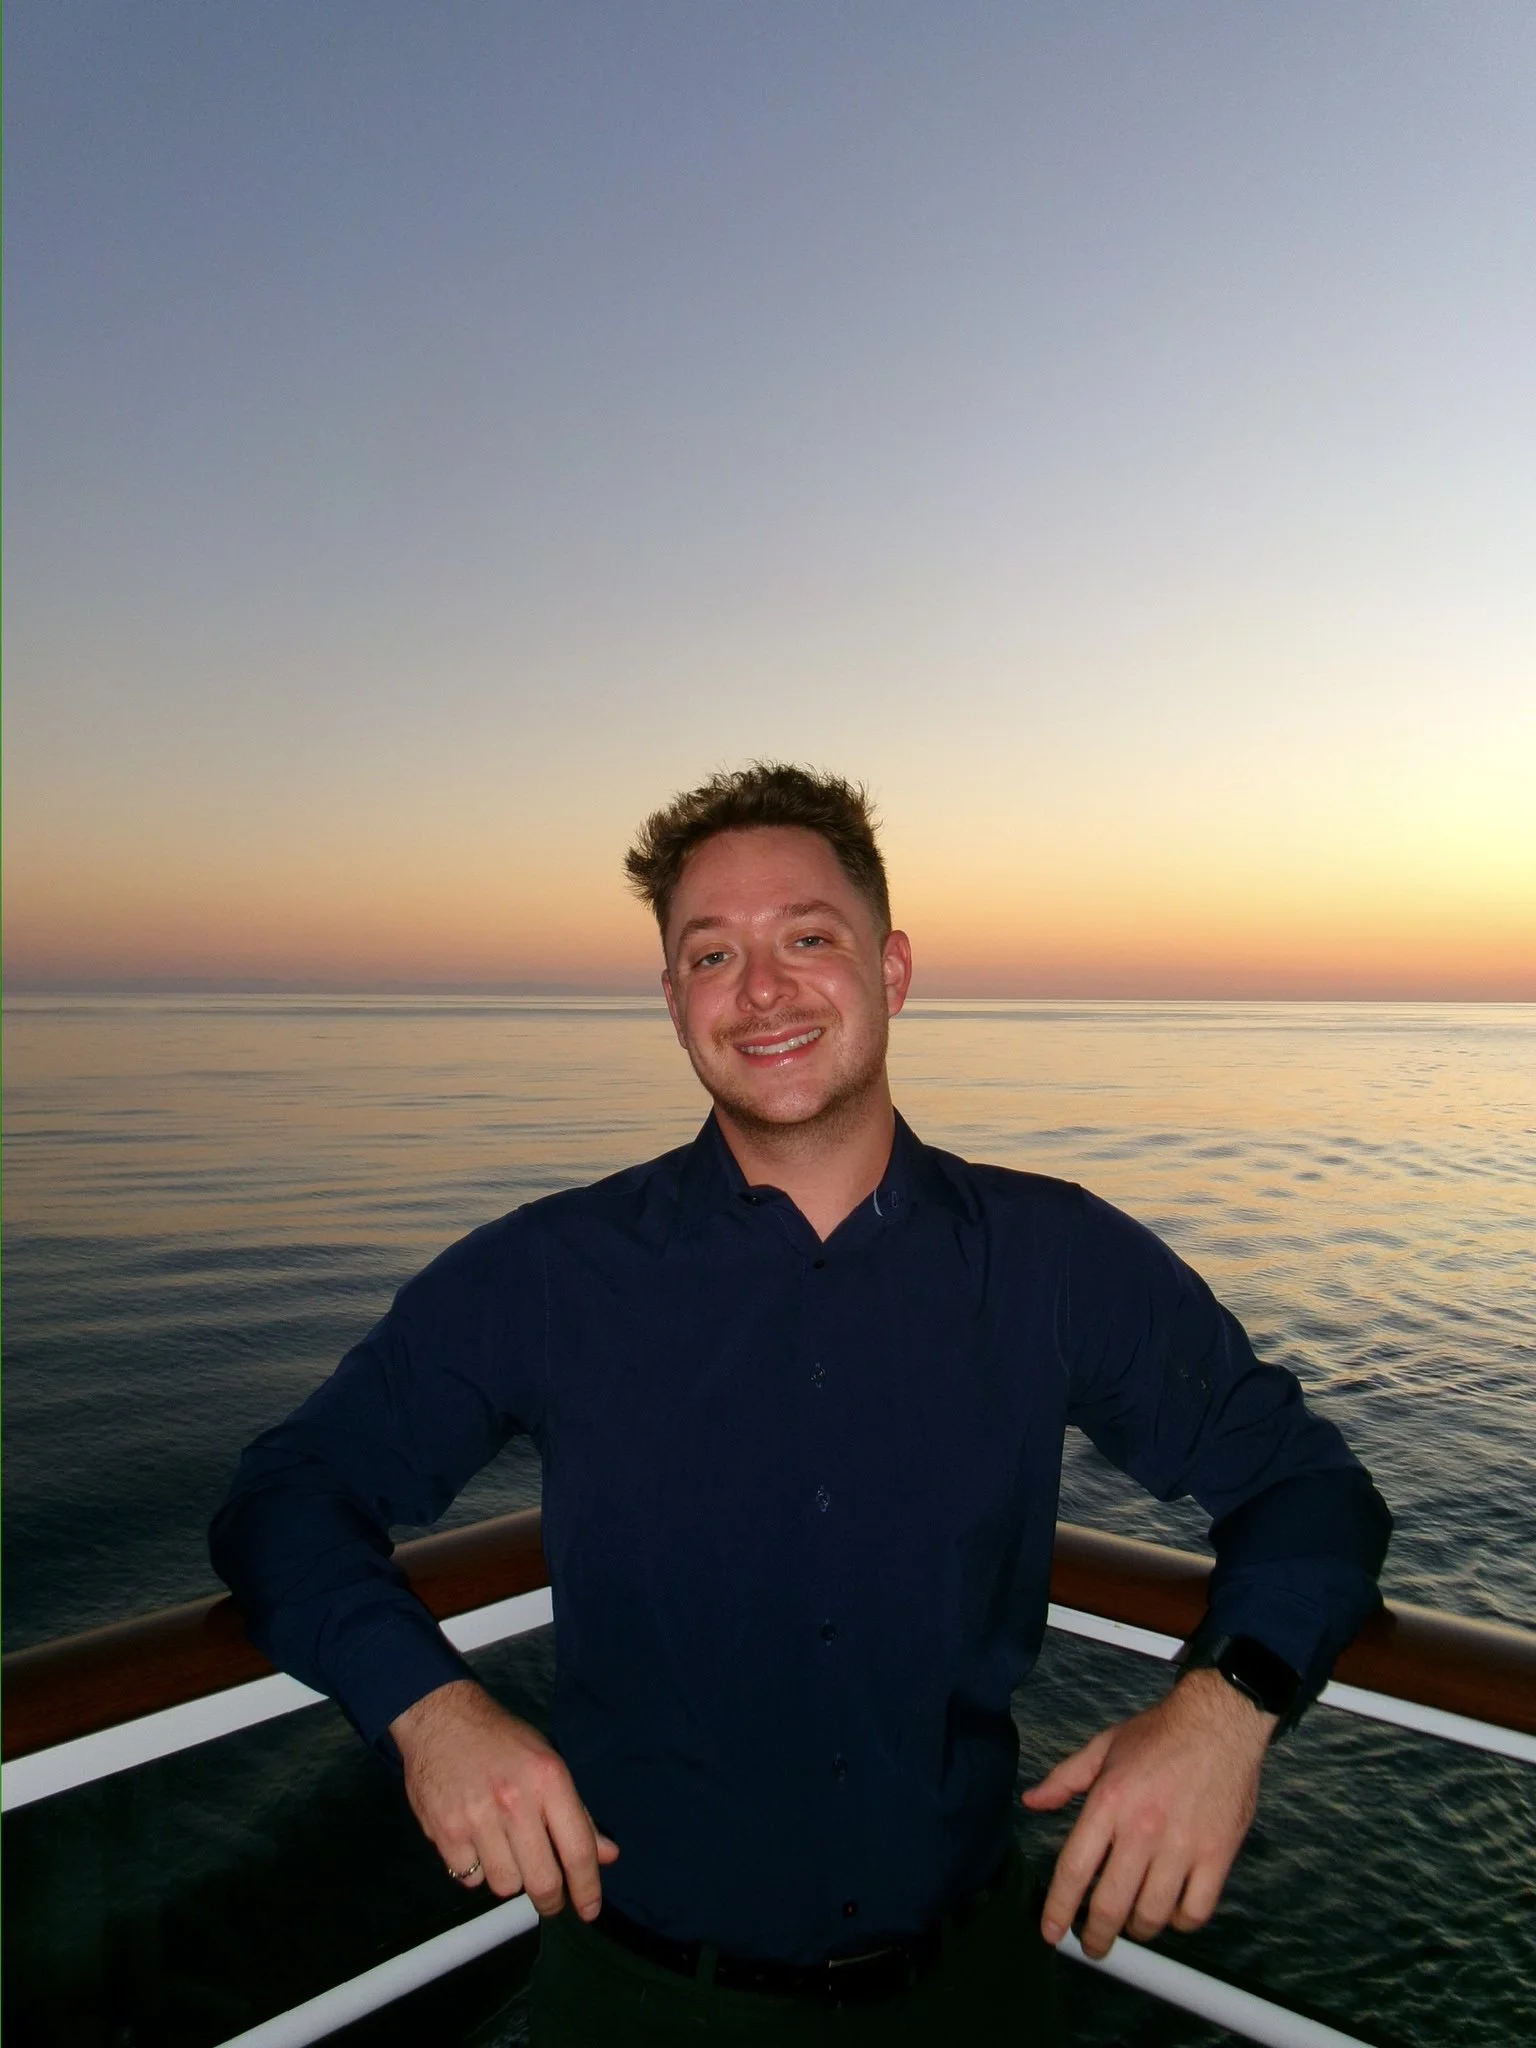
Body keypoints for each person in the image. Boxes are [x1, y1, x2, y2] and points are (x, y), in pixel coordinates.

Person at [211, 763, 1390, 2044]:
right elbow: (286, 1494)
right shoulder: (550, 1273)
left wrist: (1225, 1707)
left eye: (806, 939)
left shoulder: (1058, 1261)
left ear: (890, 969)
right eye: (711, 954)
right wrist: (427, 1709)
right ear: (672, 1002)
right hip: (641, 2006)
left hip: (975, 1995)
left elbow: (1311, 1490)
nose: (761, 989)